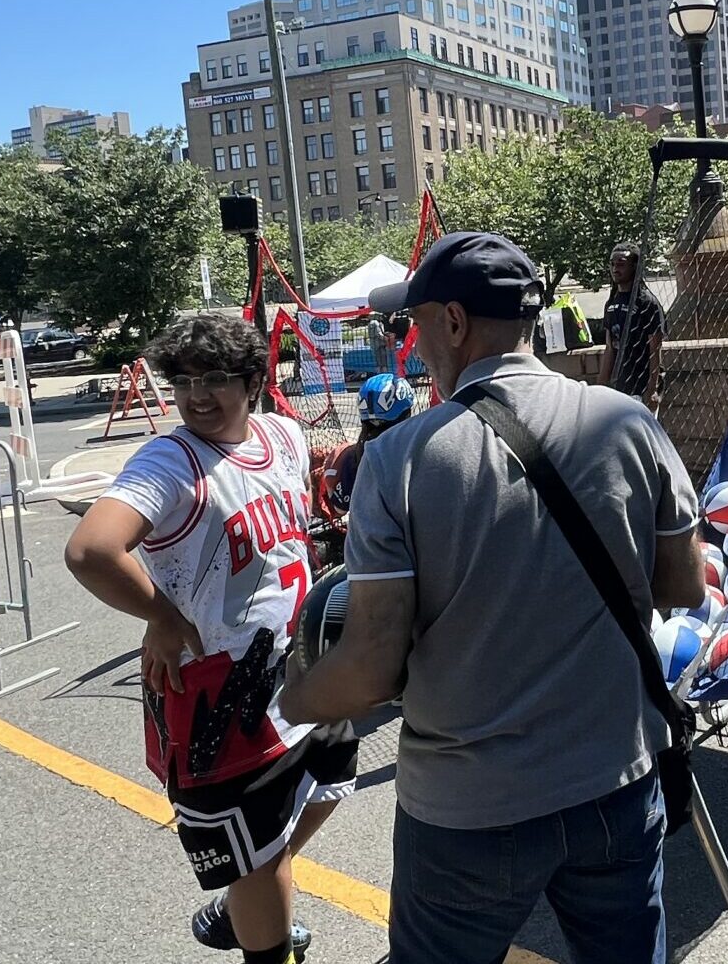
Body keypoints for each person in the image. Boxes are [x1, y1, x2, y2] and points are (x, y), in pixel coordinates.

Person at [283, 231, 705, 964]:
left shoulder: (397, 461)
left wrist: (291, 700)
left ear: (452, 321)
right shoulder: (627, 421)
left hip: (466, 811)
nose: (414, 344)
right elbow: (684, 586)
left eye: (415, 324)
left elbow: (371, 667)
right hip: (616, 782)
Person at [65, 315, 351, 964]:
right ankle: (263, 936)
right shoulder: (171, 459)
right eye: (185, 380)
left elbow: (289, 502)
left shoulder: (280, 432)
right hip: (222, 694)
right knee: (256, 855)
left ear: (253, 382)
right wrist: (161, 616)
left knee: (331, 785)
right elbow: (90, 549)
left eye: (216, 378)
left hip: (300, 664)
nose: (197, 395)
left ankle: (244, 903)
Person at [310, 373, 416, 568]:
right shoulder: (416, 453)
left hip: (366, 556)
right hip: (408, 555)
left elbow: (340, 507)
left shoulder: (356, 456)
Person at [599, 244, 665, 406]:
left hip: (641, 385)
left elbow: (655, 349)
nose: (615, 269)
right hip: (619, 386)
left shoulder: (647, 302)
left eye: (621, 264)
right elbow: (609, 347)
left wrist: (652, 389)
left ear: (634, 266)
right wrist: (600, 387)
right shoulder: (611, 303)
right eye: (612, 264)